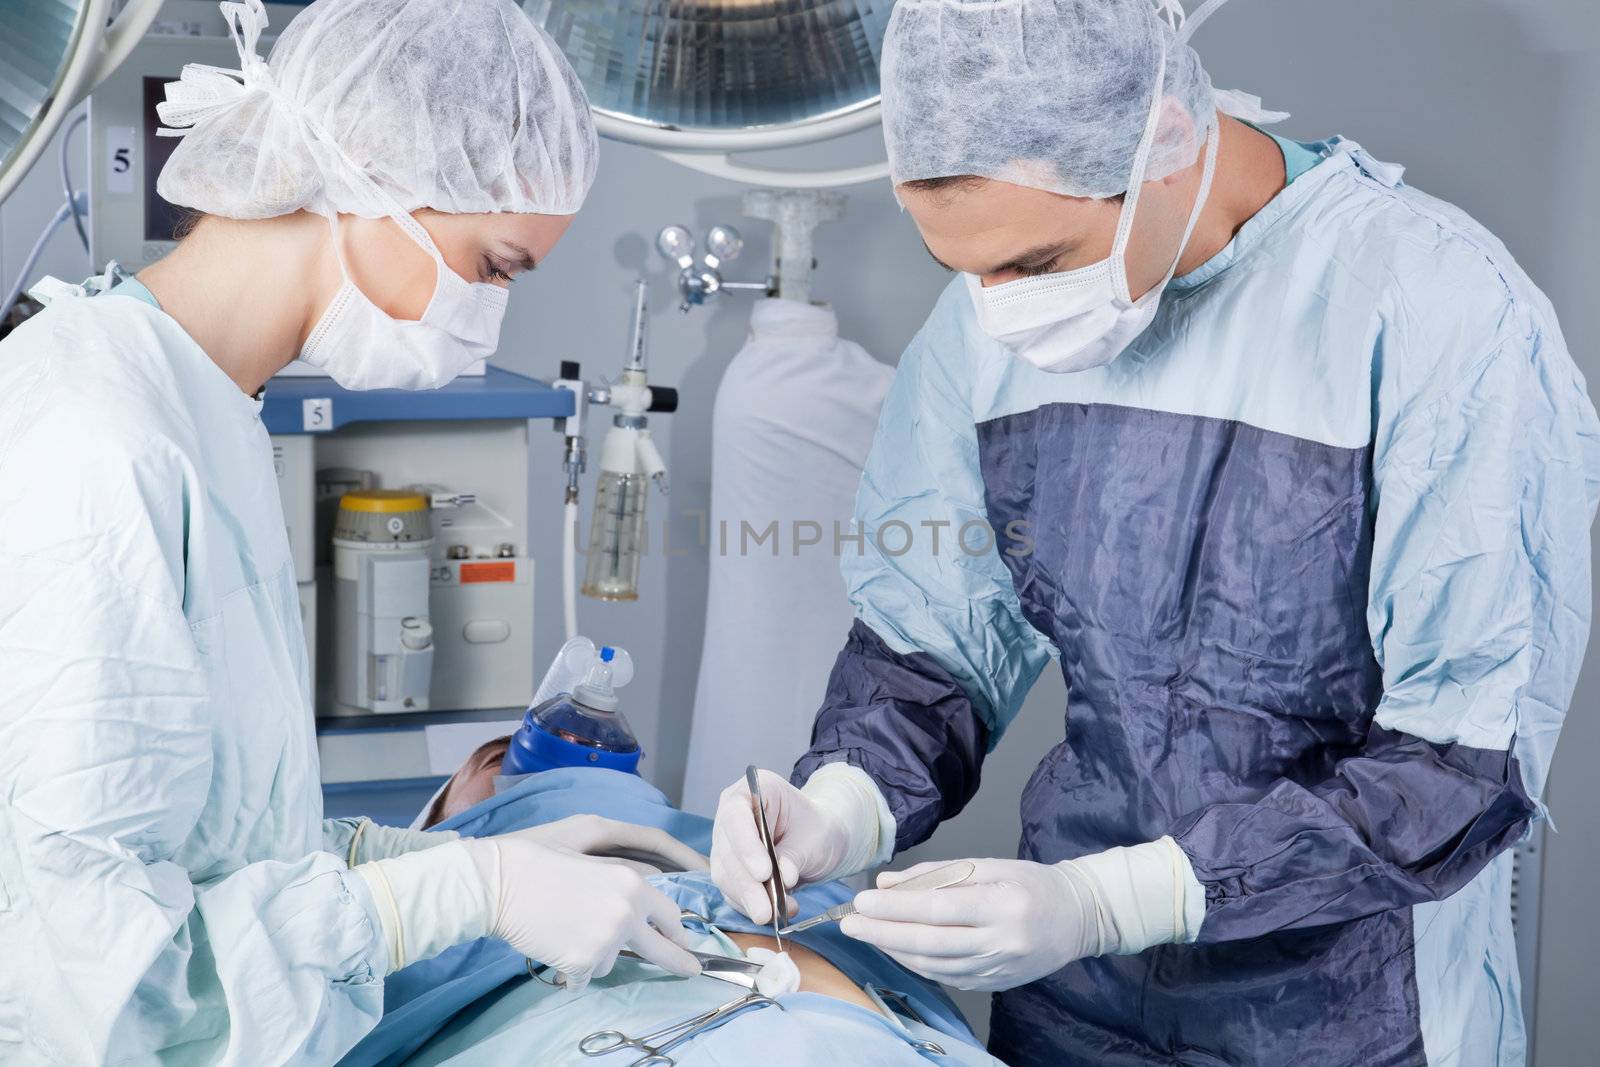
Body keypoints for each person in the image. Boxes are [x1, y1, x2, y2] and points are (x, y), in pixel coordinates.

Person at [710, 1, 1600, 1064]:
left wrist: (1109, 896)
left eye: (1037, 260)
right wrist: (838, 803)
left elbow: (1456, 761)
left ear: (1168, 138)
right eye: (967, 270)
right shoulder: (984, 330)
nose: (999, 311)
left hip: (1351, 1015)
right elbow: (934, 643)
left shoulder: (1436, 313)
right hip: (1075, 1008)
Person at [0, 1, 704, 1063]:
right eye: (494, 265)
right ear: (366, 172)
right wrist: (465, 887)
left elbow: (217, 840)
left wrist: (452, 857)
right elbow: (95, 983)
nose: (491, 316)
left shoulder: (204, 409)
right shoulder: (104, 443)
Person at [342, 761, 1008, 1067]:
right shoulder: (406, 927)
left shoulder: (698, 846)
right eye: (499, 761)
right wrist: (477, 875)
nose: (516, 760)